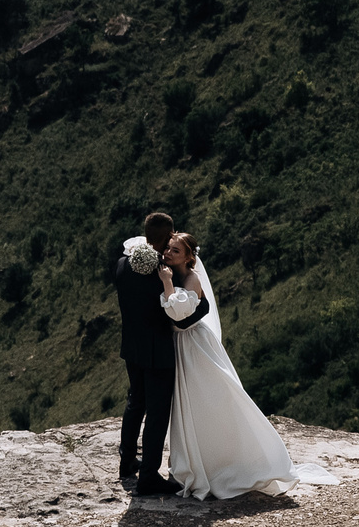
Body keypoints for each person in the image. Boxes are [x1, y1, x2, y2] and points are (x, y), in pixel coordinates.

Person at [155, 231, 335, 500]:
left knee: (211, 398)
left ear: (189, 257)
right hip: (181, 345)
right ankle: (196, 461)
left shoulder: (191, 278)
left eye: (175, 251)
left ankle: (241, 459)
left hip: (196, 345)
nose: (168, 254)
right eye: (168, 249)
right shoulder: (172, 271)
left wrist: (167, 284)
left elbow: (179, 311)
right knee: (188, 404)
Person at [113, 211, 203, 495]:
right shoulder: (166, 276)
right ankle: (149, 476)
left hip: (132, 347)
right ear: (167, 237)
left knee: (134, 403)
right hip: (158, 352)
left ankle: (127, 462)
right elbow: (183, 318)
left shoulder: (122, 265)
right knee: (157, 413)